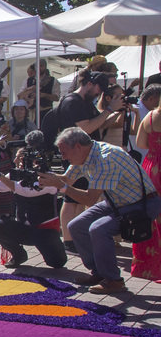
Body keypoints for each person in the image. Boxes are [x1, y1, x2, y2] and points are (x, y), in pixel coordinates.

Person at [41, 127, 161, 294]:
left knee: (99, 229)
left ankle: (114, 280)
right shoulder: (84, 155)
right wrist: (41, 175)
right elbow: (67, 178)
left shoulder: (106, 157)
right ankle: (99, 273)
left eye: (64, 152)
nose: (63, 157)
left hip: (143, 204)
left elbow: (89, 199)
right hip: (119, 202)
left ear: (78, 146)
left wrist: (60, 186)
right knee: (76, 225)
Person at [50, 70, 123, 244]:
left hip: (84, 156)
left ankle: (76, 238)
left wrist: (116, 113)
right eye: (99, 88)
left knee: (79, 199)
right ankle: (68, 240)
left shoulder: (84, 102)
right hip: (75, 155)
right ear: (89, 84)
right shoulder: (73, 102)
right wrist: (110, 109)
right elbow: (86, 129)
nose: (100, 93)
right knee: (71, 198)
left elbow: (98, 126)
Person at [0, 139, 65, 269]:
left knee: (57, 263)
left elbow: (25, 190)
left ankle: (55, 249)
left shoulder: (48, 176)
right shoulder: (15, 175)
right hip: (24, 228)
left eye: (19, 159)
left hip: (45, 231)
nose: (15, 162)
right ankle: (18, 254)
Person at [131, 86, 161, 279]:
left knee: (151, 214)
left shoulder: (149, 116)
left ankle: (149, 266)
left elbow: (141, 144)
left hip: (152, 166)